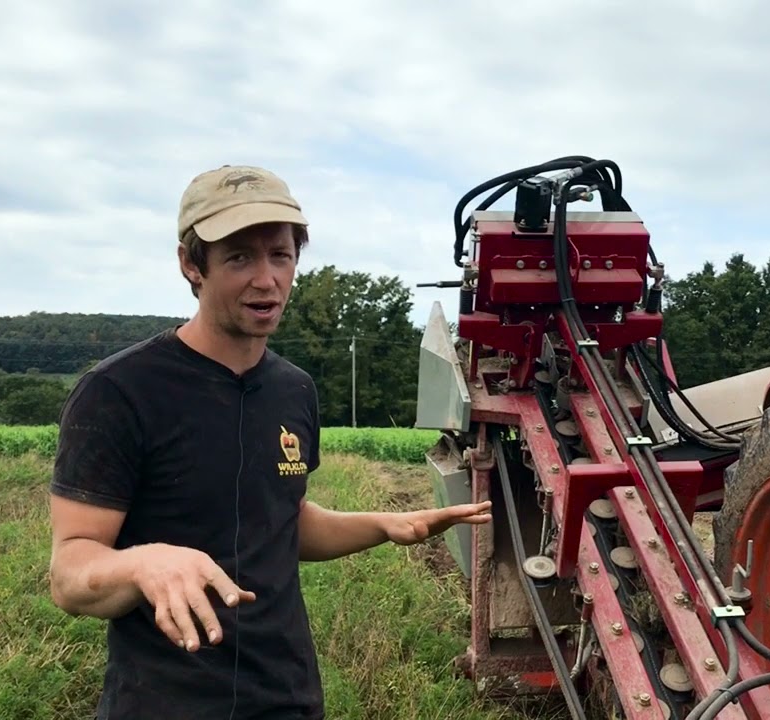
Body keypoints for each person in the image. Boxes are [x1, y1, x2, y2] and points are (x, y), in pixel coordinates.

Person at [46, 164, 492, 719]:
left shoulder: (293, 390)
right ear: (191, 265)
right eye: (239, 258)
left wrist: (386, 525)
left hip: (288, 699)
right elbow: (70, 574)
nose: (267, 279)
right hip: (163, 703)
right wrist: (144, 564)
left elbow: (281, 520)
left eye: (280, 255)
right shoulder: (118, 392)